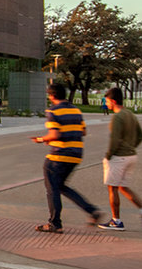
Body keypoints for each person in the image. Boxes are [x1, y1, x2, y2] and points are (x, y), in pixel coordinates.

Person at [32, 82, 102, 233]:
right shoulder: (76, 110)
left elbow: (55, 134)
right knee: (61, 186)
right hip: (76, 154)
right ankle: (91, 211)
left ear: (51, 96)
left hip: (59, 155)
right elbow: (83, 132)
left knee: (52, 189)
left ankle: (54, 223)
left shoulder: (53, 111)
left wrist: (41, 139)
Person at [99, 88, 142, 230]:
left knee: (112, 188)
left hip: (119, 157)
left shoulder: (118, 117)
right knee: (123, 187)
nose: (106, 104)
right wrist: (131, 146)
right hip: (131, 155)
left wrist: (108, 155)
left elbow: (115, 139)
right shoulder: (130, 114)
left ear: (113, 101)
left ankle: (116, 221)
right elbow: (141, 135)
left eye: (107, 101)